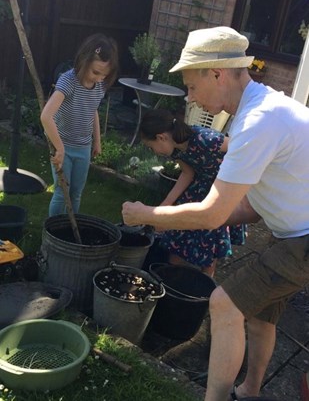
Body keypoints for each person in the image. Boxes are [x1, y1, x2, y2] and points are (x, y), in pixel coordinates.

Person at [122, 26, 309, 401]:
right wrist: (207, 215)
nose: (190, 99)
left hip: (301, 241)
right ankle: (250, 391)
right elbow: (253, 207)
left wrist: (150, 213)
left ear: (217, 73)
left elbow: (211, 214)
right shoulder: (259, 110)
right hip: (291, 233)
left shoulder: (259, 121)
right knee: (258, 315)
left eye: (192, 86)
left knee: (224, 304)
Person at [140, 108, 246, 277]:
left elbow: (243, 149)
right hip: (197, 190)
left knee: (209, 244)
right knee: (176, 236)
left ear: (161, 137)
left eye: (151, 147)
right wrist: (166, 205)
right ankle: (168, 279)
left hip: (220, 193)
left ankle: (205, 286)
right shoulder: (176, 150)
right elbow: (187, 173)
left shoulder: (206, 139)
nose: (155, 152)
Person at [41, 33, 119, 216]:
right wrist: (59, 148)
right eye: (95, 72)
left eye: (104, 75)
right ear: (84, 62)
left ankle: (71, 229)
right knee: (62, 193)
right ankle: (52, 232)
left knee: (76, 193)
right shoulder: (68, 81)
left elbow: (93, 112)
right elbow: (46, 116)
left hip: (83, 147)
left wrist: (97, 141)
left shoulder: (99, 86)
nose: (99, 78)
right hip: (63, 147)